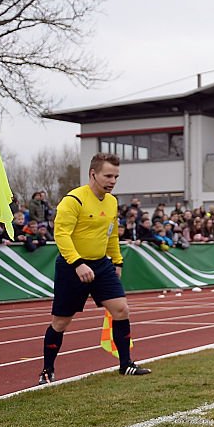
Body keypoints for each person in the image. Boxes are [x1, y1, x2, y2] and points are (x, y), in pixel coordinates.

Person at [38, 152, 151, 386]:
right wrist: (77, 263)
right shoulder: (73, 200)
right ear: (93, 174)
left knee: (121, 309)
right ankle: (47, 370)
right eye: (108, 175)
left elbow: (111, 236)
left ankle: (126, 364)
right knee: (61, 322)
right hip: (72, 267)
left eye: (116, 176)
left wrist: (117, 261)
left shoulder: (112, 202)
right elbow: (61, 235)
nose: (112, 181)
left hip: (101, 265)